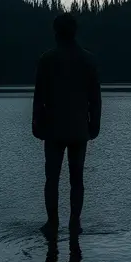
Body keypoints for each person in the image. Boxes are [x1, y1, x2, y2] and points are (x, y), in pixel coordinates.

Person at [32, 13, 101, 233]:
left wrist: (36, 123)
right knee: (77, 178)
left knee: (52, 177)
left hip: (53, 128)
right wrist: (95, 125)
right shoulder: (88, 60)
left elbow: (39, 97)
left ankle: (53, 222)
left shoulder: (47, 60)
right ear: (74, 32)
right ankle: (74, 221)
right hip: (79, 128)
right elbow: (95, 98)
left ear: (56, 33)